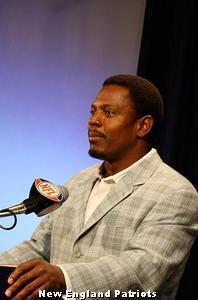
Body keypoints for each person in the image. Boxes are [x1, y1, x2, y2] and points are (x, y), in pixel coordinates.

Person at [0, 74, 197, 300]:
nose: (93, 120)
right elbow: (39, 248)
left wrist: (64, 277)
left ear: (143, 126)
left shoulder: (175, 192)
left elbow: (142, 270)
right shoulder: (77, 182)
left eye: (108, 112)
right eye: (93, 111)